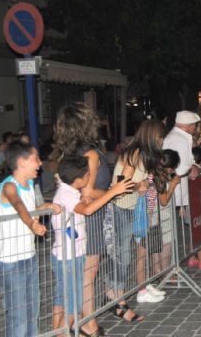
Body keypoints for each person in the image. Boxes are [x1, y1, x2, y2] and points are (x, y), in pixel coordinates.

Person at [50, 102, 116, 336]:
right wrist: (116, 190)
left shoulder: (69, 153)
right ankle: (87, 323)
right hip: (89, 218)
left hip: (74, 220)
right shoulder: (90, 154)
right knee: (88, 272)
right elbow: (86, 194)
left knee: (74, 277)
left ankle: (70, 324)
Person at [51, 156, 134, 333]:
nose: (91, 178)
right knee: (73, 304)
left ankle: (64, 332)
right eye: (88, 174)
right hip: (68, 256)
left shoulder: (70, 192)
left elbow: (81, 206)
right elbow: (87, 211)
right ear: (79, 179)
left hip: (72, 253)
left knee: (65, 300)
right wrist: (113, 191)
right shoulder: (66, 194)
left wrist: (84, 200)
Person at [0, 141, 60, 337]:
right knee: (18, 316)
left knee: (33, 311)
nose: (40, 163)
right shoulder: (9, 187)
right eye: (36, 159)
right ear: (22, 162)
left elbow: (29, 208)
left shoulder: (30, 184)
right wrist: (32, 224)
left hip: (29, 256)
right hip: (10, 260)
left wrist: (44, 207)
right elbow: (18, 205)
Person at [107, 119, 165, 318]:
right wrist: (140, 184)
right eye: (160, 137)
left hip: (133, 210)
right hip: (122, 210)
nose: (162, 141)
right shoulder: (135, 154)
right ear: (151, 136)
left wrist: (144, 184)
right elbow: (120, 187)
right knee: (122, 256)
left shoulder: (145, 155)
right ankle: (117, 299)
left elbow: (143, 183)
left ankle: (116, 295)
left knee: (127, 255)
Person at [163, 111, 201, 269]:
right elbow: (180, 166)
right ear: (187, 125)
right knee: (194, 223)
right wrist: (192, 169)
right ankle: (197, 259)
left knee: (193, 223)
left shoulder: (179, 137)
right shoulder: (178, 139)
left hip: (182, 188)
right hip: (179, 189)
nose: (196, 128)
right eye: (194, 125)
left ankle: (195, 256)